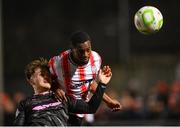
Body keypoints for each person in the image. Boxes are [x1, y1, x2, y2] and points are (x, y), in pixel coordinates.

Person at [49, 31, 122, 125]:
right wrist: (55, 88)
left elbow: (90, 84)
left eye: (88, 50)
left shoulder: (96, 59)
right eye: (81, 51)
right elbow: (45, 78)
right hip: (60, 109)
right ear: (72, 49)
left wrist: (109, 101)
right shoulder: (58, 63)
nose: (86, 54)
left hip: (81, 110)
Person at [13, 58, 112, 126]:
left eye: (48, 74)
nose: (46, 76)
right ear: (30, 80)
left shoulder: (62, 97)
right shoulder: (25, 103)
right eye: (42, 74)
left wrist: (102, 84)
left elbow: (90, 108)